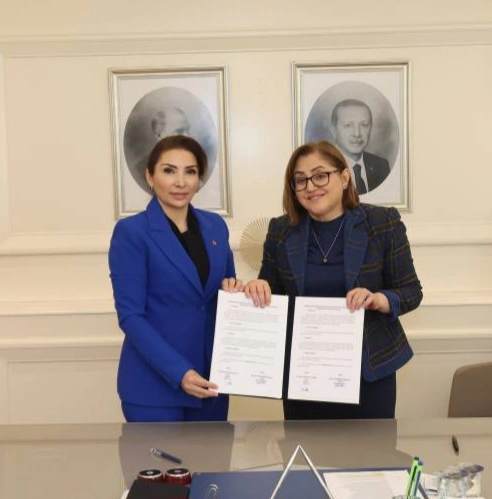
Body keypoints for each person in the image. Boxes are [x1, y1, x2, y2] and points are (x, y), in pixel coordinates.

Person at [245, 140, 422, 420]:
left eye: (320, 175)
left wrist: (380, 299)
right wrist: (258, 287)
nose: (310, 186)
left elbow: (411, 291)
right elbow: (271, 293)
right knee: (305, 447)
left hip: (369, 371)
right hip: (304, 373)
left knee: (371, 448)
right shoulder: (281, 230)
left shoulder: (382, 223)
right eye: (300, 180)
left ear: (344, 177)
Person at [109, 135, 242, 422]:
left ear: (199, 179)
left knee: (213, 454)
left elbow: (226, 285)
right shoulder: (132, 232)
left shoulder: (215, 226)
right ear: (150, 176)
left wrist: (235, 289)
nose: (180, 182)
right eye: (169, 171)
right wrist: (179, 372)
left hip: (211, 383)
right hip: (154, 388)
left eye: (190, 171)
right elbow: (130, 316)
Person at [330, 99, 391, 193]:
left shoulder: (382, 166)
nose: (357, 134)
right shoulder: (323, 167)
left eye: (364, 125)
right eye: (348, 125)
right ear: (334, 130)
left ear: (371, 128)